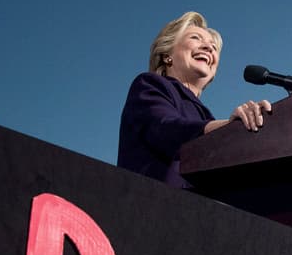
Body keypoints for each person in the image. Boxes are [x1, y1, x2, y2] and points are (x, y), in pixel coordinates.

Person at [117, 11, 273, 188]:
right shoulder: (149, 85)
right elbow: (166, 128)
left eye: (213, 47)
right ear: (167, 54)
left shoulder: (205, 116)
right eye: (196, 38)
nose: (209, 48)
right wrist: (230, 127)